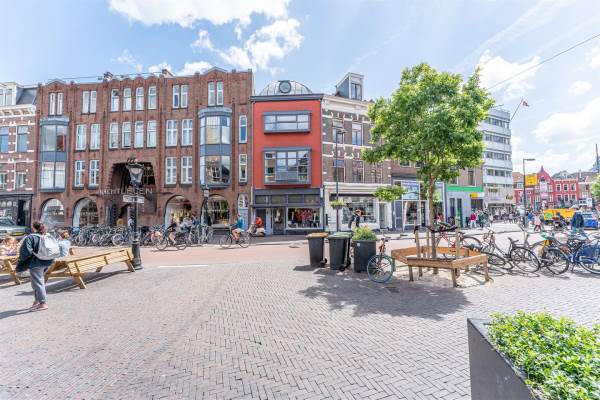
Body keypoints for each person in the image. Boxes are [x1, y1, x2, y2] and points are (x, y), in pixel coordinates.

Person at [16, 222, 59, 311]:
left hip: (36, 263)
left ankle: (43, 303)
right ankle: (37, 301)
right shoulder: (48, 236)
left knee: (38, 283)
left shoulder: (31, 237)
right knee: (36, 282)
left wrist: (21, 261)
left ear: (34, 228)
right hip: (48, 261)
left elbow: (26, 252)